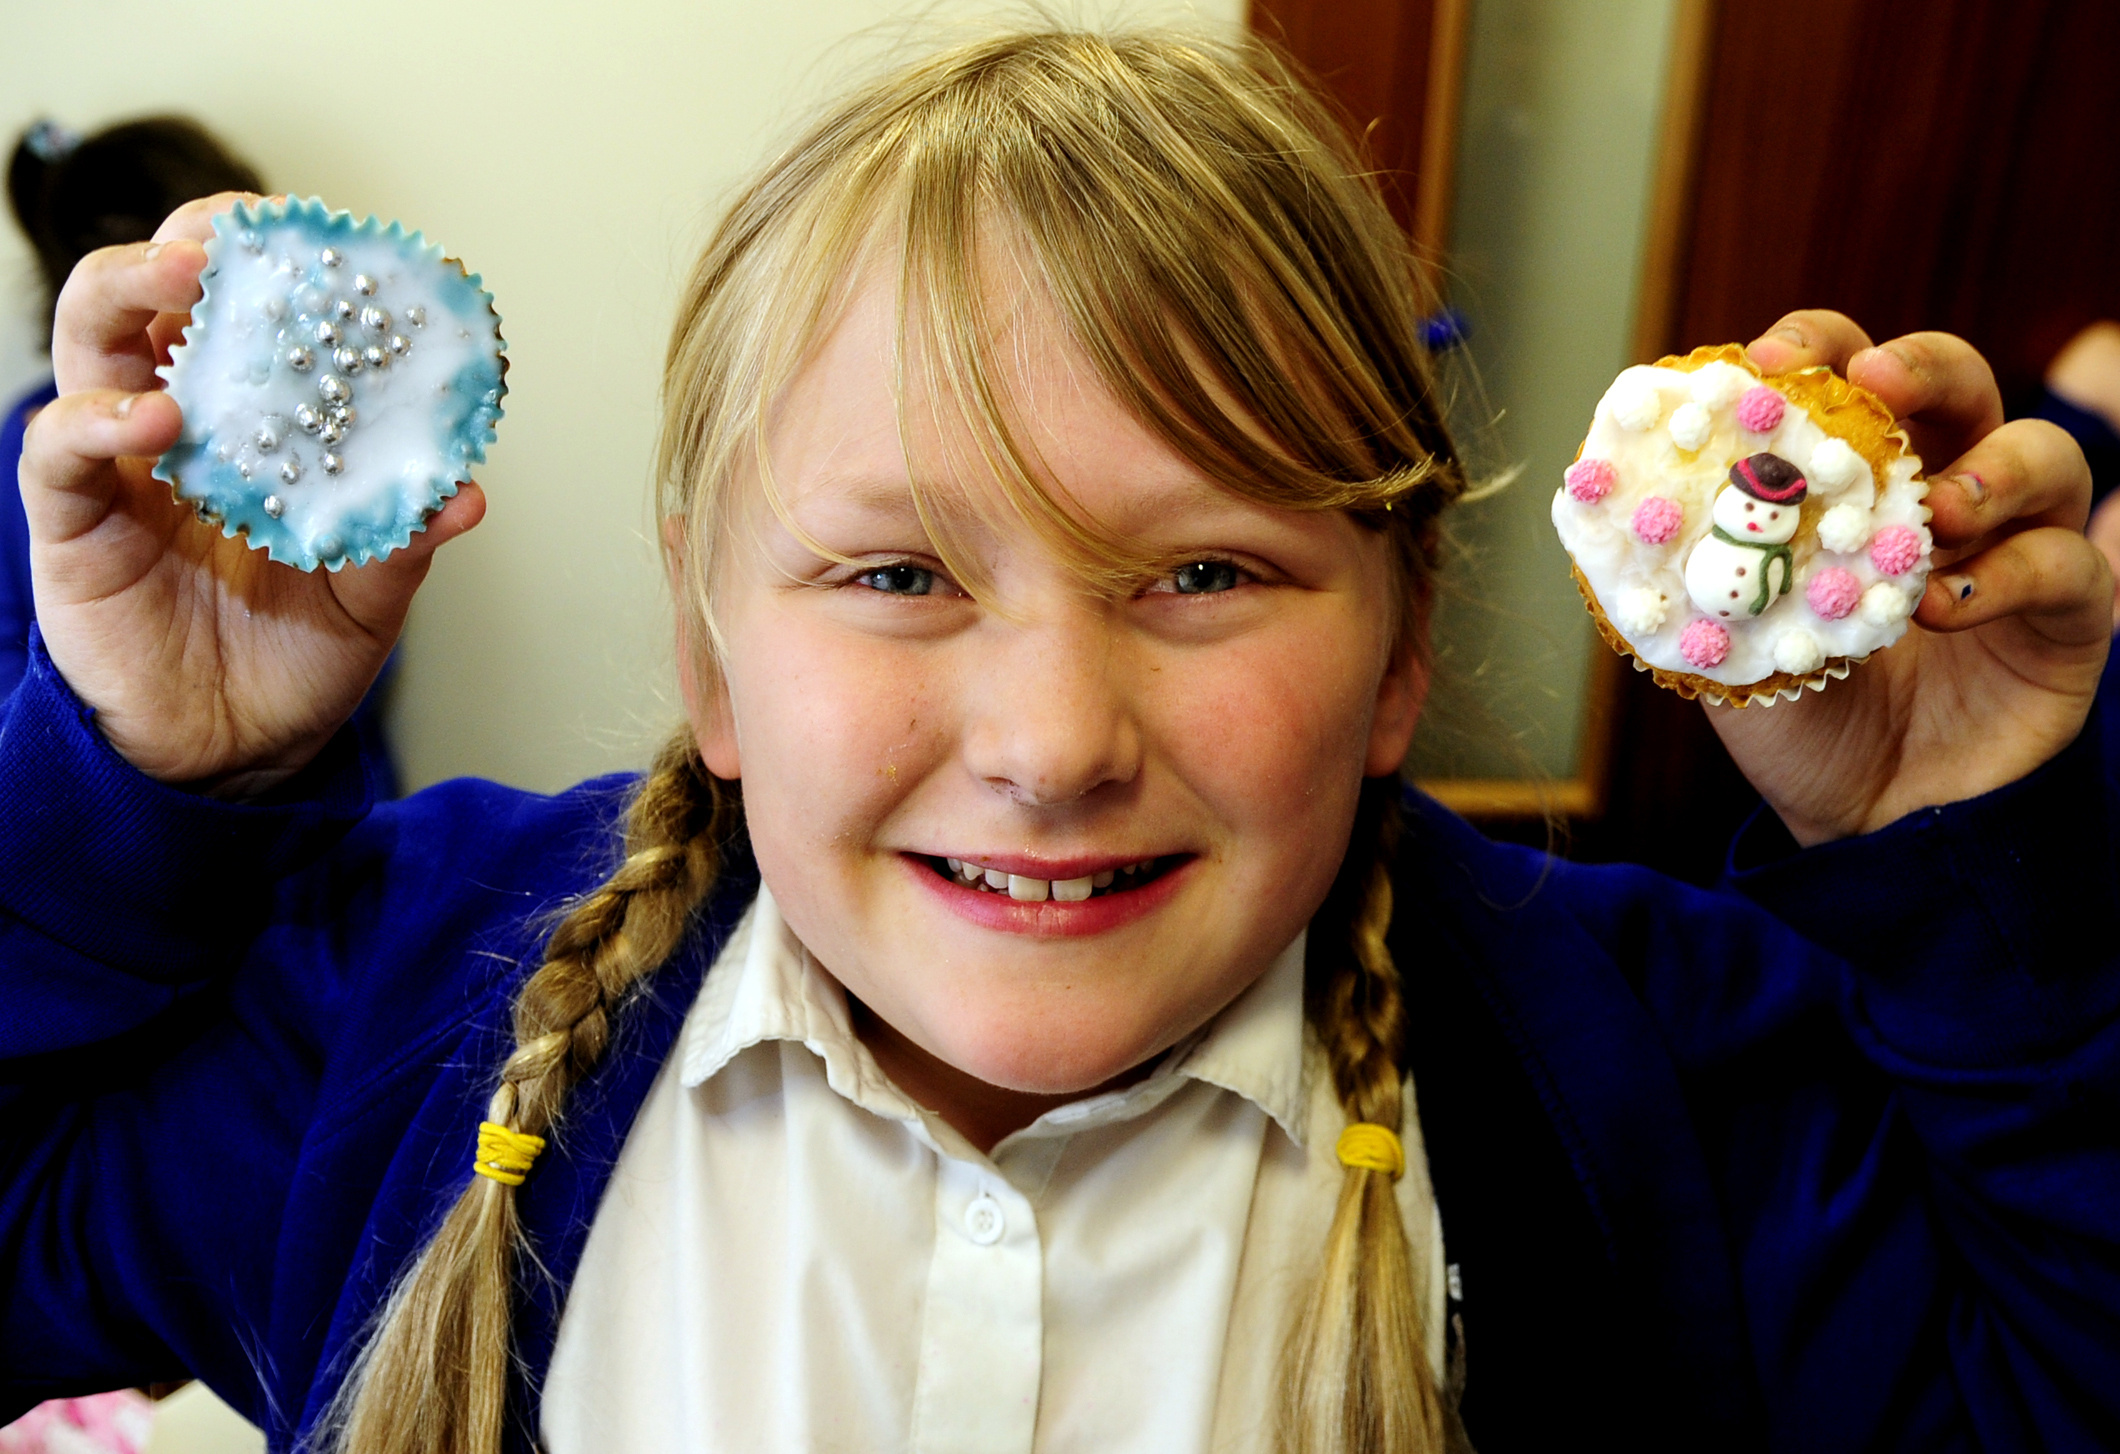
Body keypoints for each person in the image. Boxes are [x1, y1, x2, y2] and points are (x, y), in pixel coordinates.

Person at [2, 29, 2114, 1454]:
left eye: (1201, 576)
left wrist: (1950, 859)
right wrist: (141, 786)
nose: (1047, 742)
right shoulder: (405, 1001)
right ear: (708, 652)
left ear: (1399, 654)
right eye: (897, 577)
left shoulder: (1653, 1069)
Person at [2, 115, 398, 792]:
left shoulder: (316, 422)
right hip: (115, 829)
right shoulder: (38, 448)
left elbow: (362, 639)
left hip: (331, 824)